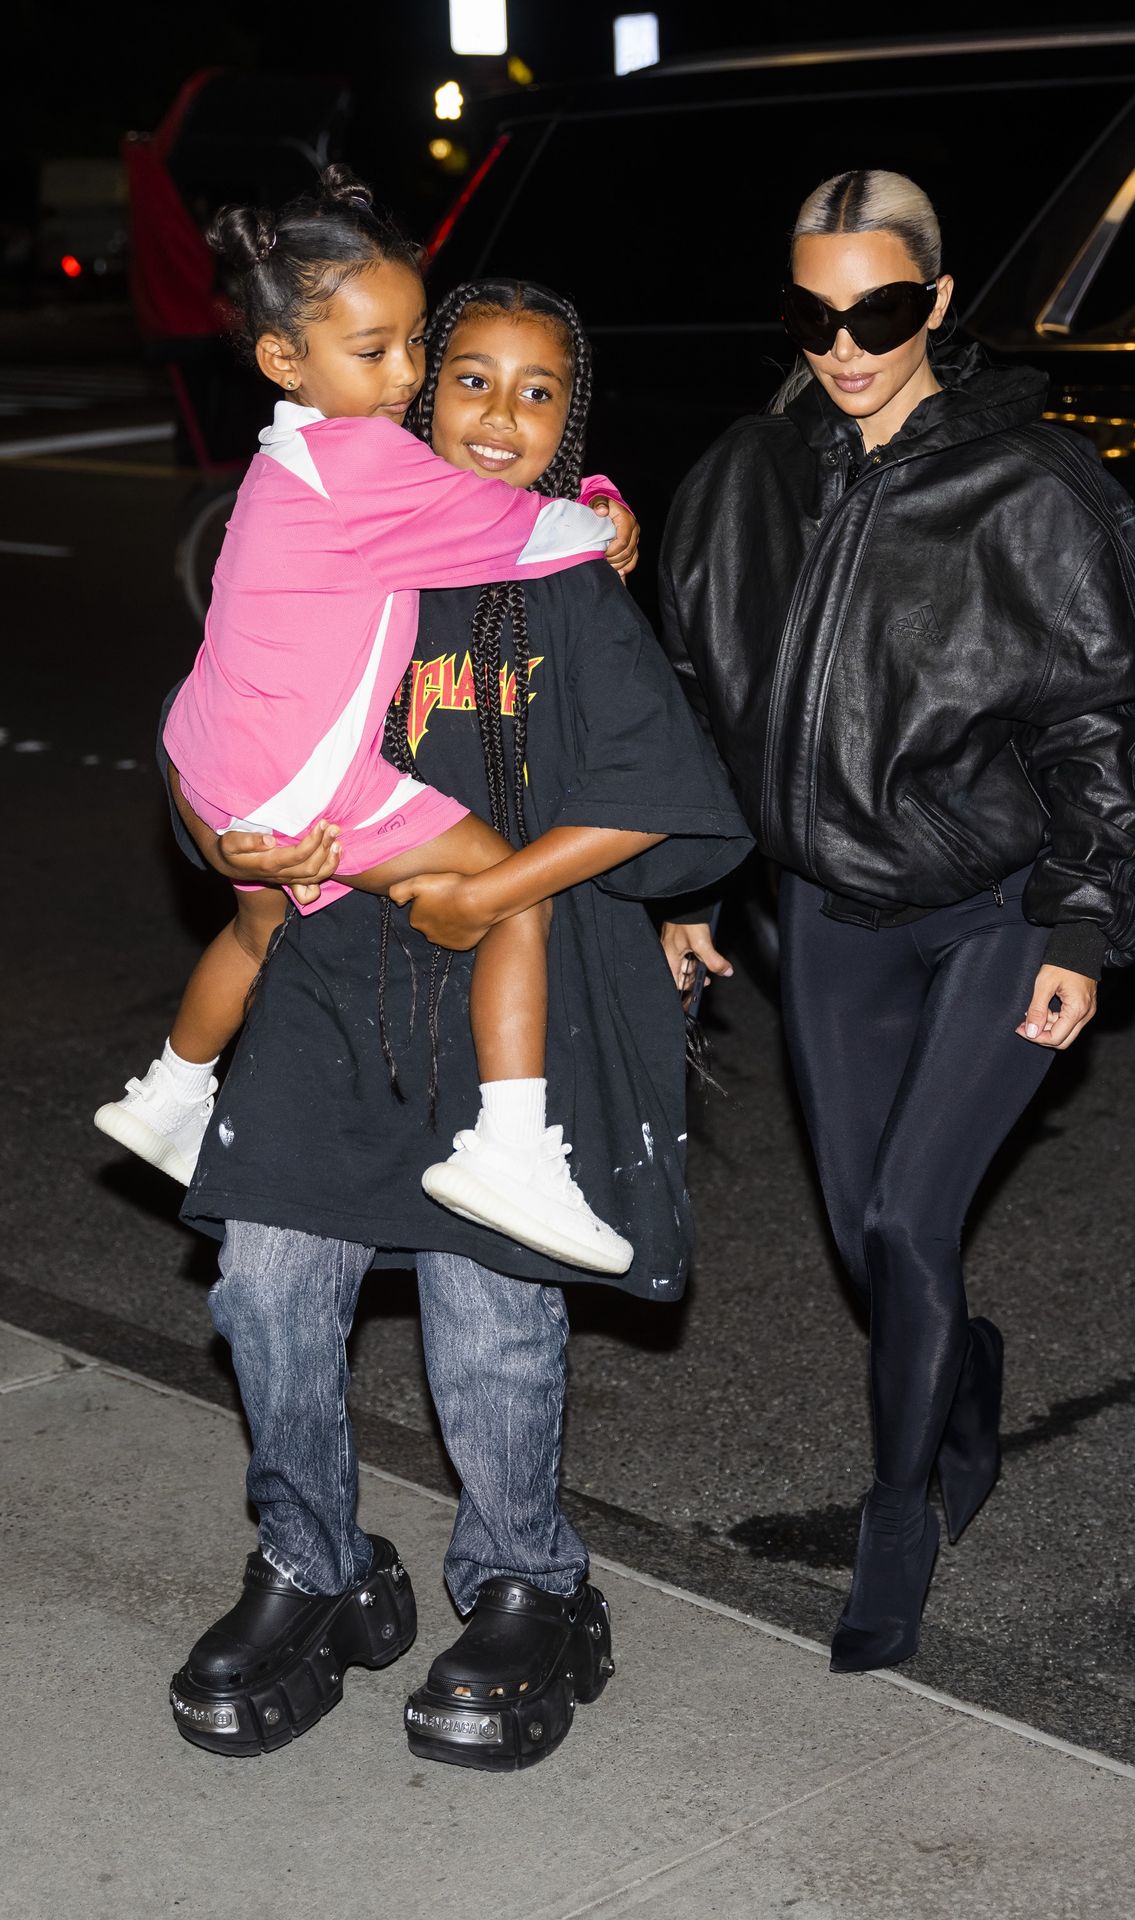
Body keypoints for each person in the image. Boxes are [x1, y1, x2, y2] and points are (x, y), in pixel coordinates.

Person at [162, 275, 750, 1769]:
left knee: (487, 1313)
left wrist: (491, 897)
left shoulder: (563, 576)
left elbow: (669, 799)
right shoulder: (323, 530)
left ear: (571, 428)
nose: (500, 414)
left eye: (538, 392)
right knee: (268, 1285)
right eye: (469, 380)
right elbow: (208, 734)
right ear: (416, 398)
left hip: (509, 994)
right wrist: (218, 834)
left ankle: (525, 1582)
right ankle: (312, 1562)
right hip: (330, 984)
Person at [659, 169, 1135, 1672]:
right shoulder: (743, 476)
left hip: (999, 903)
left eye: (878, 311)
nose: (845, 343)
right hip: (827, 909)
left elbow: (1105, 728)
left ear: (939, 303)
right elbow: (693, 707)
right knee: (863, 1239)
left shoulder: (1040, 492)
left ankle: (897, 1519)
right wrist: (689, 884)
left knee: (904, 1217)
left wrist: (1082, 928)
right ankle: (964, 1363)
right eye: (813, 314)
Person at [94, 165, 638, 1275]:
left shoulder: (284, 453)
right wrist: (600, 511)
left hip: (216, 751)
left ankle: (166, 1092)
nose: (405, 376)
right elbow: (523, 536)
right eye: (374, 350)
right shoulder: (362, 459)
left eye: (409, 346)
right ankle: (511, 1149)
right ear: (284, 358)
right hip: (306, 780)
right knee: (510, 892)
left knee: (256, 927)